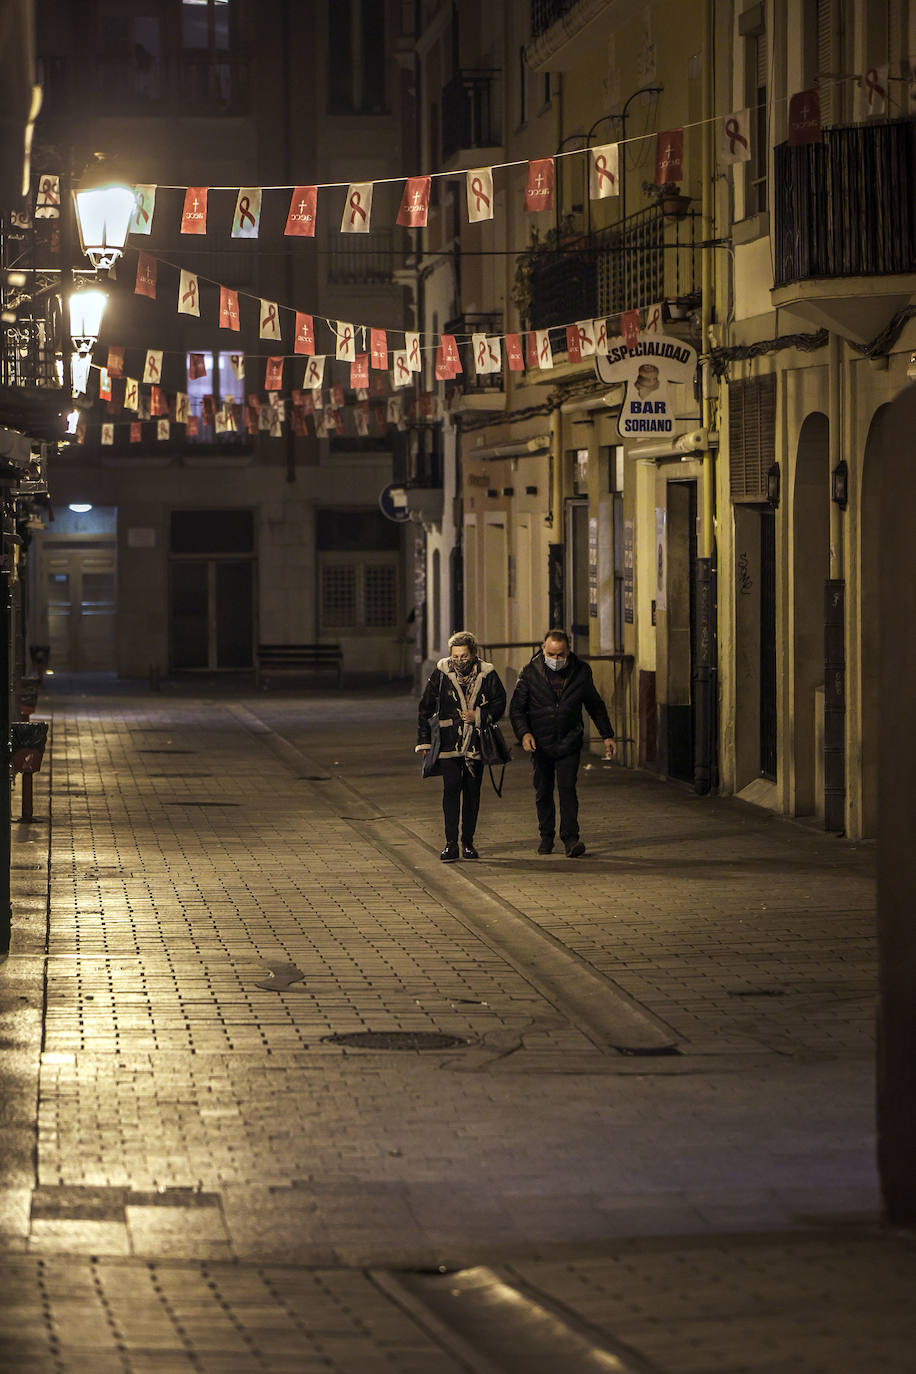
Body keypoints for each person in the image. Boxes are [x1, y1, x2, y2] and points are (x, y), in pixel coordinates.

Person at [510, 629, 616, 857]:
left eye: (560, 655)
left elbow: (594, 705)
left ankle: (570, 838)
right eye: (551, 654)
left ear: (568, 651)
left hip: (568, 739)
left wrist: (607, 734)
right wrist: (524, 734)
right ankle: (546, 836)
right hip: (540, 741)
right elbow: (517, 709)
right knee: (543, 790)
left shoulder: (581, 672)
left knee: (568, 789)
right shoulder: (530, 673)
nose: (556, 660)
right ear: (543, 649)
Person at [416, 631, 507, 862]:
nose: (459, 661)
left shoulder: (487, 674)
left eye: (464, 656)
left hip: (475, 743)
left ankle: (468, 842)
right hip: (448, 742)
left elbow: (500, 702)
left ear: (473, 655)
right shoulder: (441, 673)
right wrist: (425, 741)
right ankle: (450, 843)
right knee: (451, 791)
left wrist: (478, 715)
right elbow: (425, 707)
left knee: (472, 793)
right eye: (455, 656)